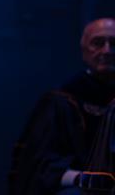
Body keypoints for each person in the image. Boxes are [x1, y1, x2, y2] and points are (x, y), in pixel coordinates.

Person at [10, 18, 115, 194]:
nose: (107, 50)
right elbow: (38, 164)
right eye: (97, 43)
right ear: (84, 51)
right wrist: (82, 178)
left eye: (114, 43)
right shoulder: (61, 102)